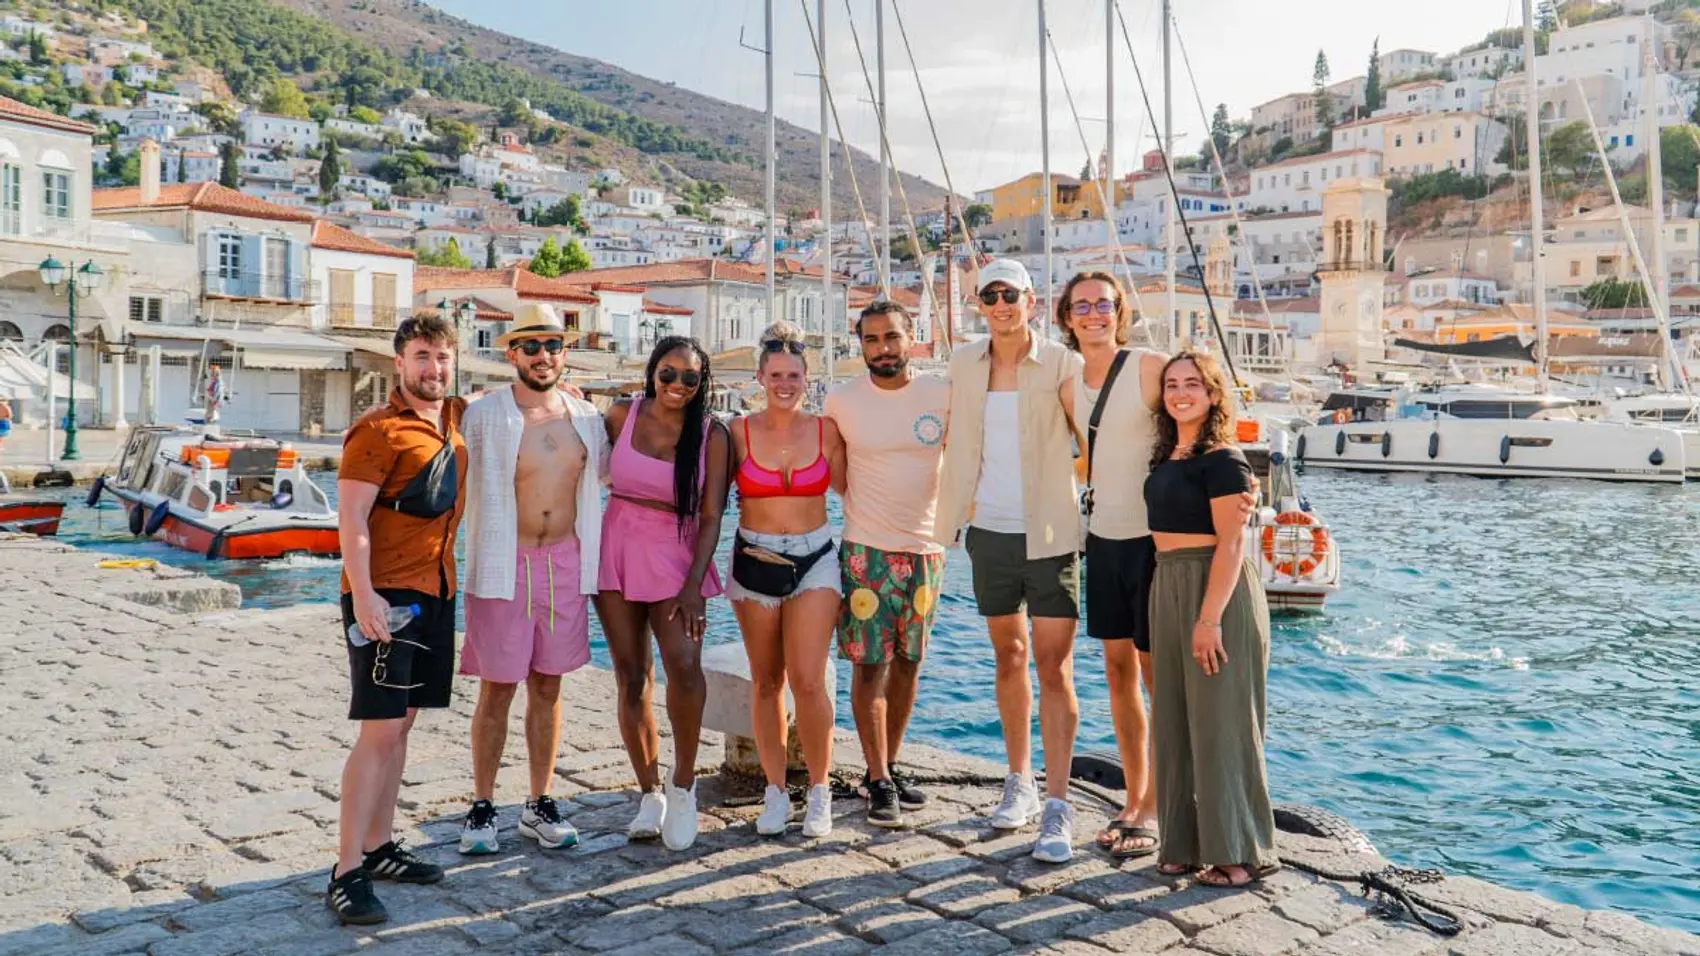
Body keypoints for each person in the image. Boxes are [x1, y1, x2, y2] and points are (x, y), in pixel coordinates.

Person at [935, 259, 1084, 863]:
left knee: (1054, 668)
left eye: (1010, 295)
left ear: (1032, 300)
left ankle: (1057, 805)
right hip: (989, 533)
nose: (999, 305)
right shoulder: (962, 365)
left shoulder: (1060, 364)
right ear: (980, 304)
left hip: (1051, 533)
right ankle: (1018, 781)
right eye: (989, 296)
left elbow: (1092, 438)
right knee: (1009, 656)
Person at [328, 315, 466, 925]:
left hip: (436, 591)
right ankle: (345, 870)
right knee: (379, 731)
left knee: (403, 725)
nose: (432, 368)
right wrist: (363, 596)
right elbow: (352, 520)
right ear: (399, 364)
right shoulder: (376, 432)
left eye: (441, 356)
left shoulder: (454, 423)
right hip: (386, 597)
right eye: (421, 356)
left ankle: (380, 847)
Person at [458, 303, 606, 855]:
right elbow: (446, 482)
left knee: (548, 685)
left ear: (565, 352)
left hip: (565, 566)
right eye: (531, 346)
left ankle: (540, 802)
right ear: (510, 352)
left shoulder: (586, 418)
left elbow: (625, 475)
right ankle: (482, 805)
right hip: (503, 565)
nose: (543, 356)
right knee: (497, 688)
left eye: (552, 345)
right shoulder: (482, 415)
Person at [1145, 350, 1277, 888]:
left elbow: (1230, 544)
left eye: (1193, 384)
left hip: (1214, 591)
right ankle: (1181, 844)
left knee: (1222, 722)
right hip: (1168, 581)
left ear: (1213, 393)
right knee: (1173, 718)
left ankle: (1238, 853)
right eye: (1172, 384)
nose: (1181, 392)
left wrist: (1209, 620)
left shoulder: (1224, 459)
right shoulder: (1167, 453)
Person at [598, 336, 730, 851]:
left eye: (690, 378)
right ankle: (648, 791)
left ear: (702, 384)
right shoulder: (618, 416)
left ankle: (683, 785)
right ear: (652, 372)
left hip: (678, 558)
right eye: (668, 374)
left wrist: (694, 584)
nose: (677, 385)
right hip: (617, 551)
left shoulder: (712, 435)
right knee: (631, 678)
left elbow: (714, 513)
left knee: (685, 666)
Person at [1054, 271, 1167, 861]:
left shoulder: (1150, 367)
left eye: (1104, 304)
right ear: (1067, 317)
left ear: (1120, 312)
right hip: (1102, 539)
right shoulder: (1069, 387)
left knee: (1156, 678)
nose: (1094, 313)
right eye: (1082, 305)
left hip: (1154, 541)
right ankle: (1135, 794)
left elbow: (1201, 426)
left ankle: (1158, 804)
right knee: (1118, 674)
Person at [825, 300, 950, 829]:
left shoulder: (941, 394)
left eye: (892, 337)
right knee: (868, 665)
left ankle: (891, 764)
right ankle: (875, 777)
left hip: (927, 550)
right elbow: (837, 475)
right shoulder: (842, 400)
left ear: (911, 336)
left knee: (909, 663)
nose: (882, 349)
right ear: (860, 344)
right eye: (872, 340)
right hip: (866, 550)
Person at [728, 321, 845, 839]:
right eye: (775, 374)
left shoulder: (827, 431)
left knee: (808, 678)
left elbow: (863, 489)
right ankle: (775, 793)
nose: (784, 383)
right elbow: (702, 495)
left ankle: (819, 791)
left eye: (793, 375)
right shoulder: (735, 433)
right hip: (754, 556)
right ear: (759, 376)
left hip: (816, 555)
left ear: (806, 378)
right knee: (767, 679)